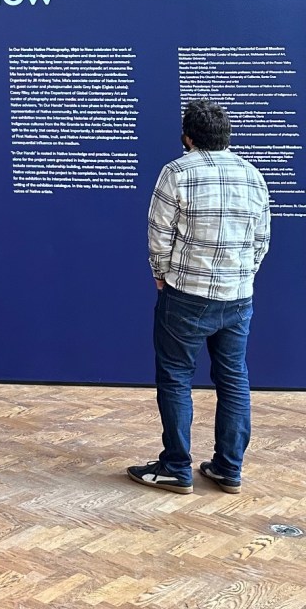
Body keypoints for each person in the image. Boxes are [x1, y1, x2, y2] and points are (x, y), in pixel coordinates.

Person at [127, 100, 271, 496]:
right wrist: (243, 275)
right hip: (238, 298)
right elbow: (262, 239)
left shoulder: (177, 172)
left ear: (187, 137)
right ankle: (228, 468)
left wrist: (160, 274)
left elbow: (159, 233)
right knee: (234, 378)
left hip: (186, 294)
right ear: (227, 136)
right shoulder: (252, 174)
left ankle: (176, 467)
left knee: (176, 376)